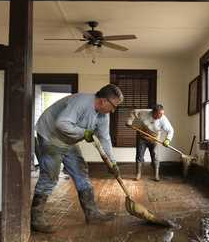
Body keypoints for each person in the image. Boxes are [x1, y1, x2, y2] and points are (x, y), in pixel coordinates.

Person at [32, 84, 123, 233]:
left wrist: (112, 162)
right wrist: (84, 133)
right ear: (103, 101)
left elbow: (104, 138)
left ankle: (92, 213)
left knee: (81, 171)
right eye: (113, 106)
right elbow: (61, 123)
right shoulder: (81, 102)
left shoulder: (103, 115)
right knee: (50, 176)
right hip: (50, 136)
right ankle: (36, 219)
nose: (113, 110)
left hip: (68, 140)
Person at [126, 104, 174, 182]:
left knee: (155, 156)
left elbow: (170, 130)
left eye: (162, 114)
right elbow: (133, 111)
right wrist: (129, 121)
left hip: (154, 139)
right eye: (159, 114)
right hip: (142, 137)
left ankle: (156, 175)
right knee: (139, 155)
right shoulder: (144, 113)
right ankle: (138, 174)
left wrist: (167, 140)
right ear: (153, 112)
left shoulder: (163, 119)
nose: (161, 116)